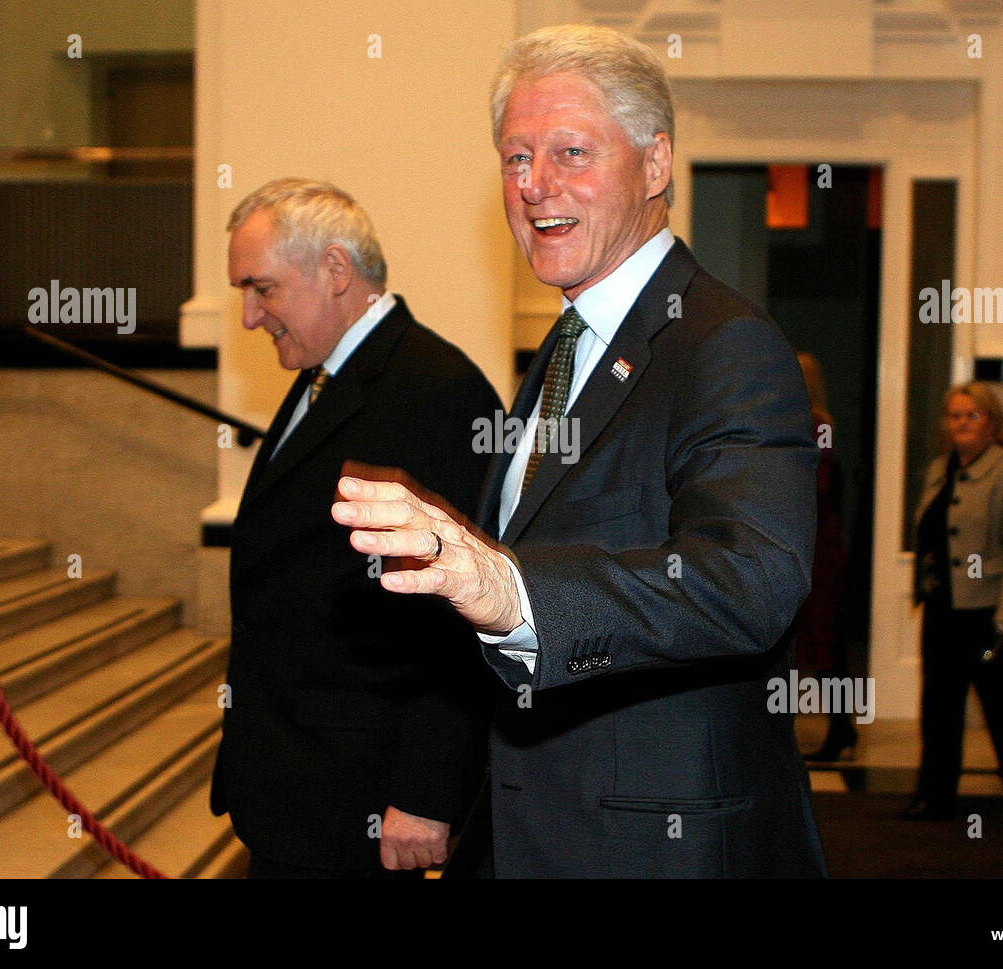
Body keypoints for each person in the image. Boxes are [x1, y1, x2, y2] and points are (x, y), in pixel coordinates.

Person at [332, 25, 825, 878]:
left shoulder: (724, 345)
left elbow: (754, 580)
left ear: (656, 164)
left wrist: (515, 592)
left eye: (570, 151)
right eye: (515, 157)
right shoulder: (567, 349)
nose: (534, 185)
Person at [210, 178, 501, 876]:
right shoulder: (327, 377)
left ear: (335, 270)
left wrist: (426, 792)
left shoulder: (435, 389)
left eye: (262, 289)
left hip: (363, 799)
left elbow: (455, 614)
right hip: (300, 783)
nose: (250, 316)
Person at [902, 381, 1003, 820]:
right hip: (944, 608)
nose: (961, 423)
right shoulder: (941, 468)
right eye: (954, 415)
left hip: (991, 614)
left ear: (993, 424)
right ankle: (934, 795)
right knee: (939, 703)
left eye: (971, 415)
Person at [794, 353, 855, 762]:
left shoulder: (816, 425)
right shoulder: (814, 422)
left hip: (816, 546)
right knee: (816, 641)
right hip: (813, 542)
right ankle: (841, 727)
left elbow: (813, 488)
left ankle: (841, 727)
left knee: (823, 641)